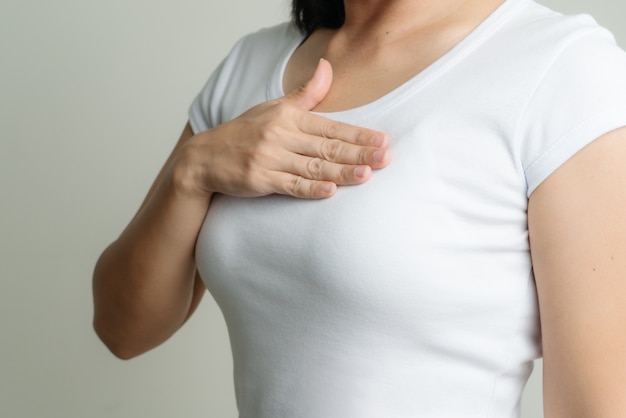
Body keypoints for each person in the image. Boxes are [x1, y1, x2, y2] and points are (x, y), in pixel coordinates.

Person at [93, 0, 626, 416]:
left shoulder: (561, 70)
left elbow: (600, 407)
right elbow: (123, 330)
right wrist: (191, 172)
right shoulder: (249, 65)